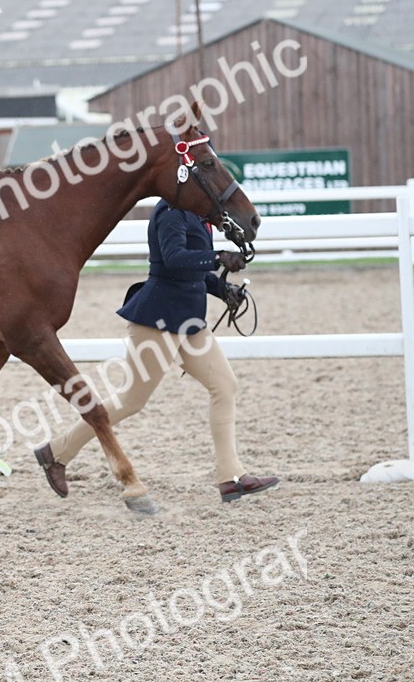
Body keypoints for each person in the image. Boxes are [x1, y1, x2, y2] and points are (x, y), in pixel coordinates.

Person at [33, 198, 279, 503]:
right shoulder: (172, 211)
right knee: (130, 400)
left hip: (190, 322)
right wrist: (217, 256)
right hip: (158, 321)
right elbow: (175, 259)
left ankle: (230, 477)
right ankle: (56, 452)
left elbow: (195, 273)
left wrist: (222, 289)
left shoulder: (198, 214)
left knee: (224, 386)